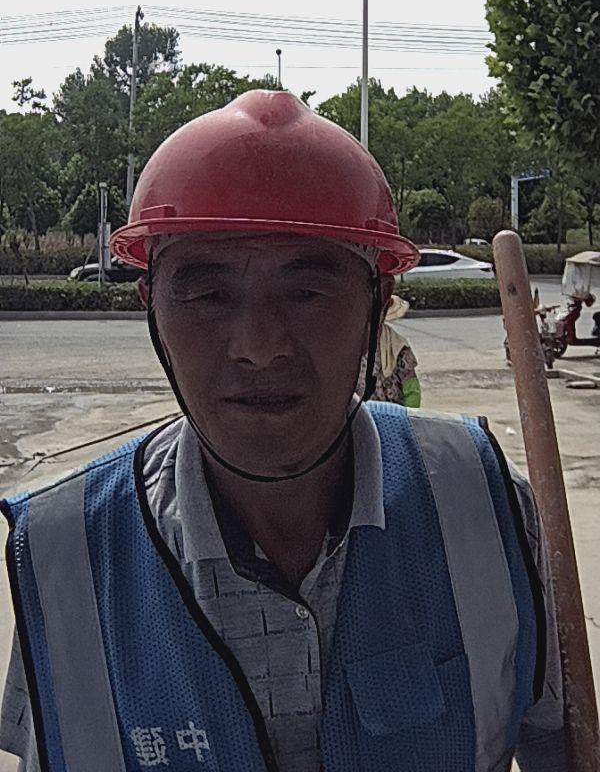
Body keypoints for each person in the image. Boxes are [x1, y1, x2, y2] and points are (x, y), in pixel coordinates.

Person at [0, 90, 566, 772]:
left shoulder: (481, 502)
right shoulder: (66, 552)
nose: (260, 346)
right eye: (208, 293)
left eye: (307, 291)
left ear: (377, 305)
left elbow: (558, 743)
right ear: (152, 308)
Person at [371, 294, 421, 407]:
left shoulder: (397, 343)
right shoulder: (352, 342)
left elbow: (411, 386)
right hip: (360, 411)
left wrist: (409, 413)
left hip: (392, 410)